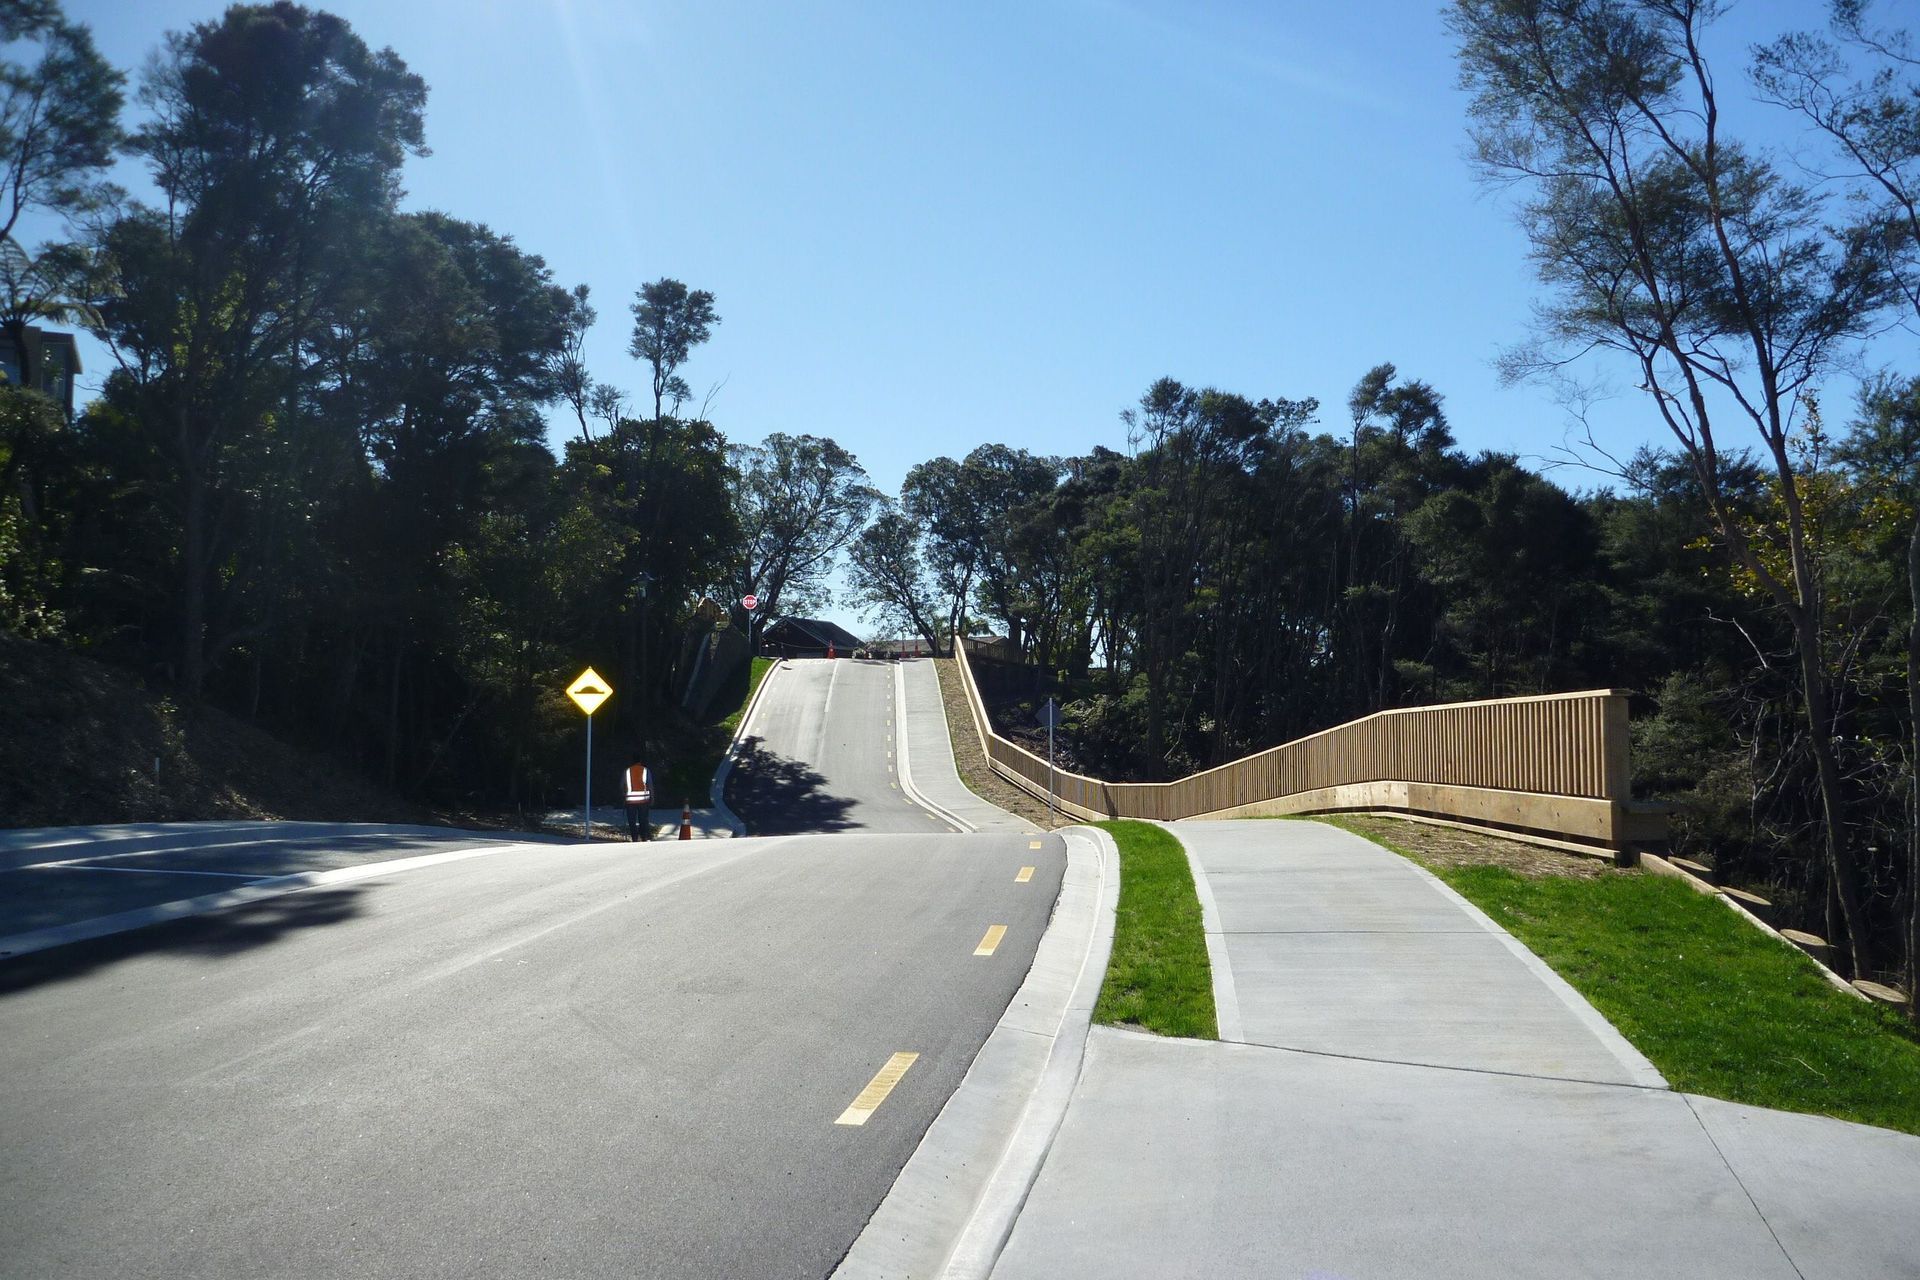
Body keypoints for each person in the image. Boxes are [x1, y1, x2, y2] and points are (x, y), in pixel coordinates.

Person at [624, 762, 653, 841]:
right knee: (643, 819)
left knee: (631, 820)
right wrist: (652, 797)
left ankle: (634, 838)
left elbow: (622, 785)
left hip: (630, 800)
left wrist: (624, 796)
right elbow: (650, 785)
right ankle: (644, 837)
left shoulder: (627, 771)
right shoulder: (646, 770)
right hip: (643, 800)